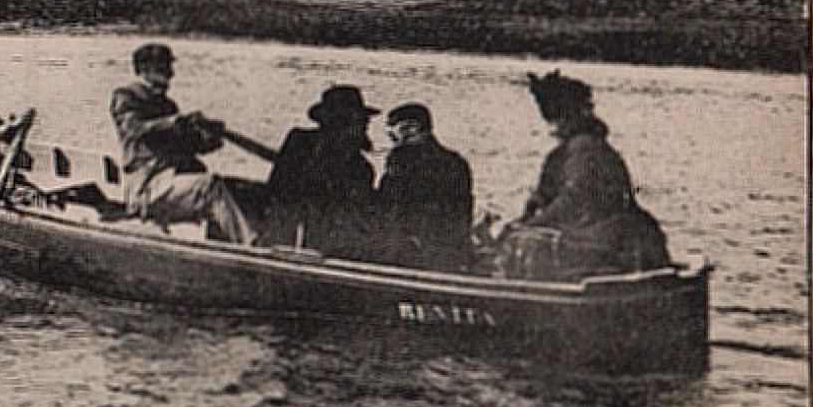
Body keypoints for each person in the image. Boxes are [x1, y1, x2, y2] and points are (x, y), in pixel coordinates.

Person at [500, 71, 671, 278]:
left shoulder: (583, 149)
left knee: (526, 243)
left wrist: (531, 224)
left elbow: (572, 200)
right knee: (519, 235)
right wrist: (524, 219)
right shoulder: (575, 149)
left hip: (607, 237)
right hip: (616, 230)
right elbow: (543, 198)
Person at [110, 43, 255, 245]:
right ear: (143, 69)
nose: (171, 74)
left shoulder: (167, 105)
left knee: (232, 186)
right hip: (148, 188)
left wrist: (209, 138)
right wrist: (175, 122)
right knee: (210, 187)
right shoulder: (126, 97)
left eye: (169, 67)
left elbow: (187, 147)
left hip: (172, 184)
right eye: (163, 67)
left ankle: (228, 247)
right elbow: (134, 129)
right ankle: (250, 246)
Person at [262, 85, 379, 255]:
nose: (366, 124)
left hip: (325, 246)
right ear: (340, 123)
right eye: (359, 120)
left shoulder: (361, 168)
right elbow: (277, 192)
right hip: (292, 239)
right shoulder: (301, 144)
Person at [372, 103, 475, 270]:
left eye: (394, 132)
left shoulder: (403, 162)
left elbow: (390, 208)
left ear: (412, 129)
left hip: (411, 253)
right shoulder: (455, 161)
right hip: (452, 252)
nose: (392, 140)